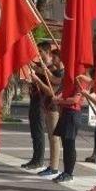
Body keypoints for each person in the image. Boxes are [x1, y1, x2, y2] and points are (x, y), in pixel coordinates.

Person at [51, 59, 82, 184]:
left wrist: (60, 101)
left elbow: (75, 99)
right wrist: (57, 98)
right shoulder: (68, 79)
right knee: (65, 144)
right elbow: (63, 91)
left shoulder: (80, 80)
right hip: (65, 113)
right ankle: (65, 171)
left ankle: (69, 172)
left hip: (73, 114)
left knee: (70, 145)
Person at [36, 45, 62, 177]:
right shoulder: (55, 72)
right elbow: (48, 75)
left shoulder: (61, 73)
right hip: (48, 106)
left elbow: (51, 90)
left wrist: (37, 79)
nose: (53, 58)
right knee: (51, 138)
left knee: (54, 138)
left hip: (54, 108)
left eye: (55, 56)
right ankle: (51, 166)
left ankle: (54, 167)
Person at [19, 56, 47, 170]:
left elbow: (46, 79)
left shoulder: (47, 69)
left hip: (41, 103)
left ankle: (39, 160)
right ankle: (35, 158)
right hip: (34, 101)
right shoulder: (40, 66)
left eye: (41, 52)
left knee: (39, 132)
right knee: (35, 133)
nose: (38, 54)